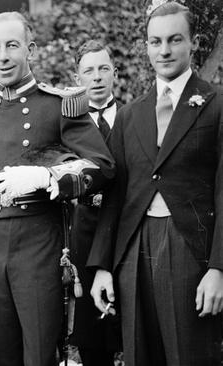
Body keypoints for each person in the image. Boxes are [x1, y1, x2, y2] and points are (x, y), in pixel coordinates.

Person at [0, 12, 115, 366]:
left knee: (40, 354)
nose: (3, 57)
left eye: (12, 46)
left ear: (30, 49)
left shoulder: (58, 105)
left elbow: (103, 165)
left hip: (39, 248)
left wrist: (50, 178)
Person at [88, 2, 223, 365]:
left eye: (175, 40)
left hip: (190, 251)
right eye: (156, 41)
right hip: (135, 248)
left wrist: (218, 268)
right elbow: (114, 197)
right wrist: (102, 266)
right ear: (146, 46)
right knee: (139, 354)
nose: (164, 50)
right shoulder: (130, 115)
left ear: (193, 43)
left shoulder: (216, 105)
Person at [69, 40, 122, 366]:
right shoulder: (70, 126)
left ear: (114, 73)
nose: (97, 77)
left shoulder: (133, 118)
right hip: (84, 236)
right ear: (78, 78)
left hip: (126, 232)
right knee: (92, 337)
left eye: (103, 69)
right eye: (89, 70)